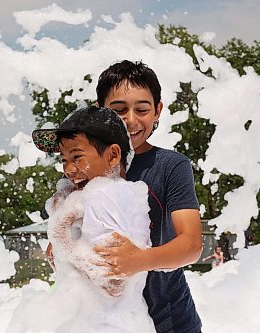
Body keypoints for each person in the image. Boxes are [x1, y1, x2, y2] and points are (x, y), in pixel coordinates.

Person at [92, 60, 203, 333]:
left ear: (157, 111)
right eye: (118, 110)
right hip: (107, 321)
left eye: (142, 109)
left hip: (169, 319)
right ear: (98, 112)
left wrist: (137, 260)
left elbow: (191, 245)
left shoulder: (171, 166)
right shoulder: (87, 167)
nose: (131, 120)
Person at [30, 105, 155, 332]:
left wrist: (61, 233)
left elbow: (114, 282)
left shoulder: (103, 196)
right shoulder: (111, 195)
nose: (68, 169)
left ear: (113, 156)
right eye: (63, 160)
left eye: (77, 157)